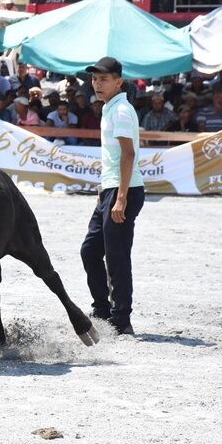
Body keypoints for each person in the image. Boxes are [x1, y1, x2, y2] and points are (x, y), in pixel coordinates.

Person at [80, 56, 146, 336]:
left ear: (118, 82)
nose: (97, 83)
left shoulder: (120, 110)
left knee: (116, 256)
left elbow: (128, 155)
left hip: (124, 190)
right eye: (94, 79)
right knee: (90, 251)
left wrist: (120, 197)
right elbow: (113, 156)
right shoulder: (110, 107)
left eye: (103, 79)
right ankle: (102, 310)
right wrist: (104, 190)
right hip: (111, 188)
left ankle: (121, 320)